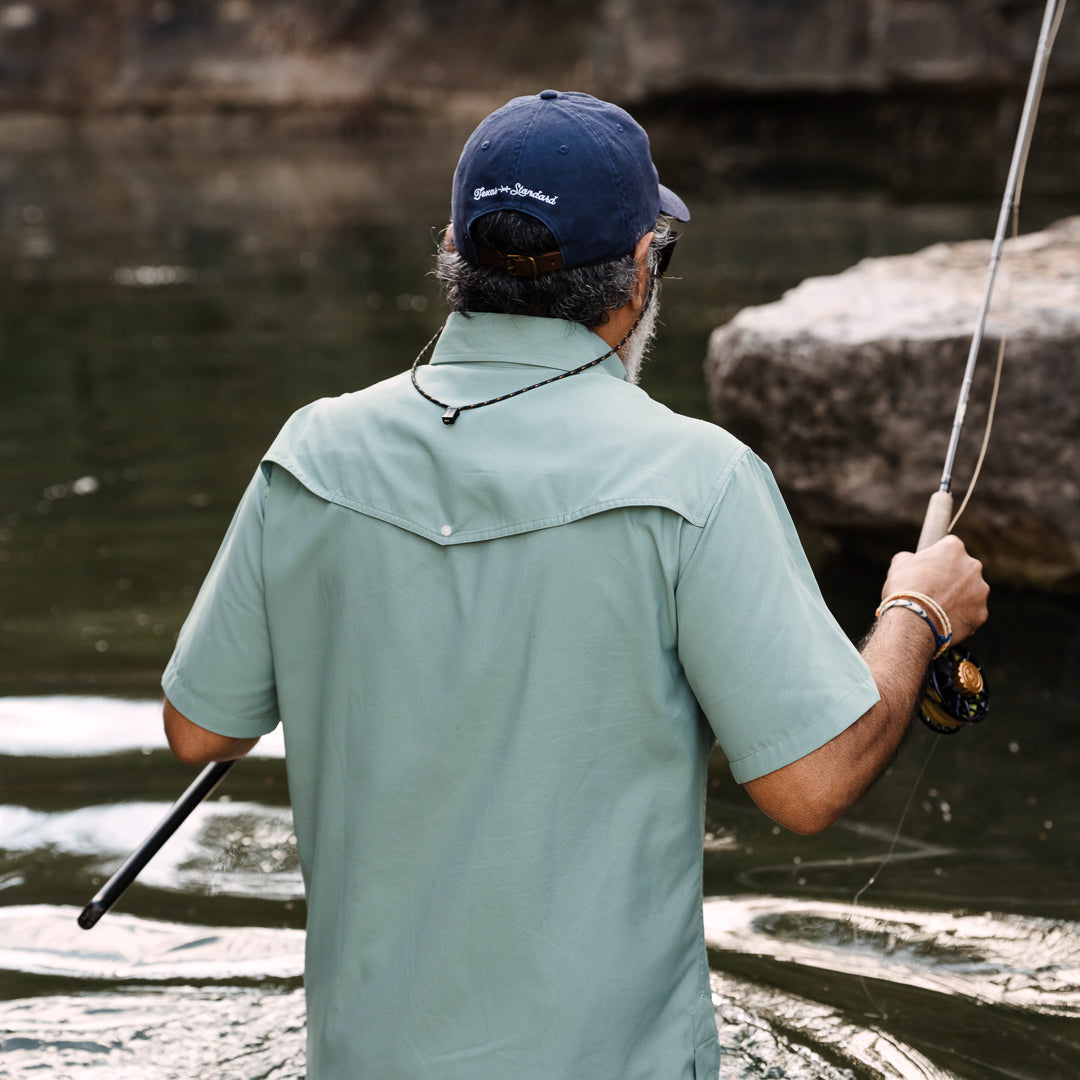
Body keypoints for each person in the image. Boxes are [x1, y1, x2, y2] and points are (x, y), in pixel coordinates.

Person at [162, 90, 989, 1080]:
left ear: (454, 255)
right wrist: (917, 613)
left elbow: (198, 731)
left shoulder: (313, 452)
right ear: (641, 270)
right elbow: (812, 782)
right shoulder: (701, 479)